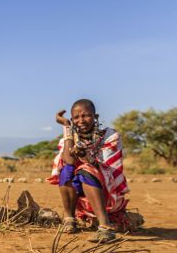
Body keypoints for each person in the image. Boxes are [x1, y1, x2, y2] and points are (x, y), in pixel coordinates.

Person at [47, 99, 130, 243]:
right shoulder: (70, 137)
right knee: (66, 170)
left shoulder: (111, 136)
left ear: (95, 117)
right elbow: (69, 160)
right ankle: (69, 219)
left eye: (86, 116)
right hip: (81, 195)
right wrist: (67, 127)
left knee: (86, 170)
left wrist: (85, 156)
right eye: (76, 118)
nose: (81, 120)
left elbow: (107, 170)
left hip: (106, 192)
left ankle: (105, 227)